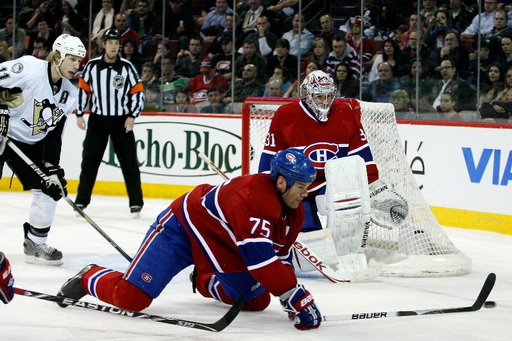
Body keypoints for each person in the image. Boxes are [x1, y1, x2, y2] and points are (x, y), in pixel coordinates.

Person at [57, 148, 322, 331]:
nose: (305, 193)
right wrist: (295, 295)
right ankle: (88, 276)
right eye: (301, 186)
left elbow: (281, 257)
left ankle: (203, 278)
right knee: (130, 298)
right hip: (183, 229)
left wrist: (290, 298)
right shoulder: (255, 198)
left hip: (222, 245)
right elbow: (260, 260)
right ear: (281, 183)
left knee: (255, 300)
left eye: (307, 186)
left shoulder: (295, 212)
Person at [0, 33, 86, 265]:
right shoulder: (28, 67)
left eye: (80, 60)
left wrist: (51, 168)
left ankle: (35, 243)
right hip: (3, 132)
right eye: (73, 59)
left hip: (30, 142)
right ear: (57, 56)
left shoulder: (70, 93)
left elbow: (54, 133)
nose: (77, 65)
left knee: (51, 186)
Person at [258, 70, 379, 232]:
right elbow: (269, 159)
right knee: (309, 234)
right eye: (320, 96)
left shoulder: (346, 112)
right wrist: (268, 192)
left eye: (330, 96)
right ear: (307, 94)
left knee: (348, 233)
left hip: (335, 186)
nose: (325, 102)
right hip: (300, 187)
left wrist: (372, 188)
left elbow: (363, 157)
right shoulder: (285, 115)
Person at [74, 29, 145, 218]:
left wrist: (132, 115)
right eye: (110, 42)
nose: (113, 46)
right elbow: (83, 90)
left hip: (122, 121)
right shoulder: (92, 66)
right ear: (103, 45)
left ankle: (136, 203)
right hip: (98, 119)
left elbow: (137, 92)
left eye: (116, 42)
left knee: (129, 162)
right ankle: (81, 200)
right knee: (90, 160)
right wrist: (79, 114)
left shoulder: (127, 67)